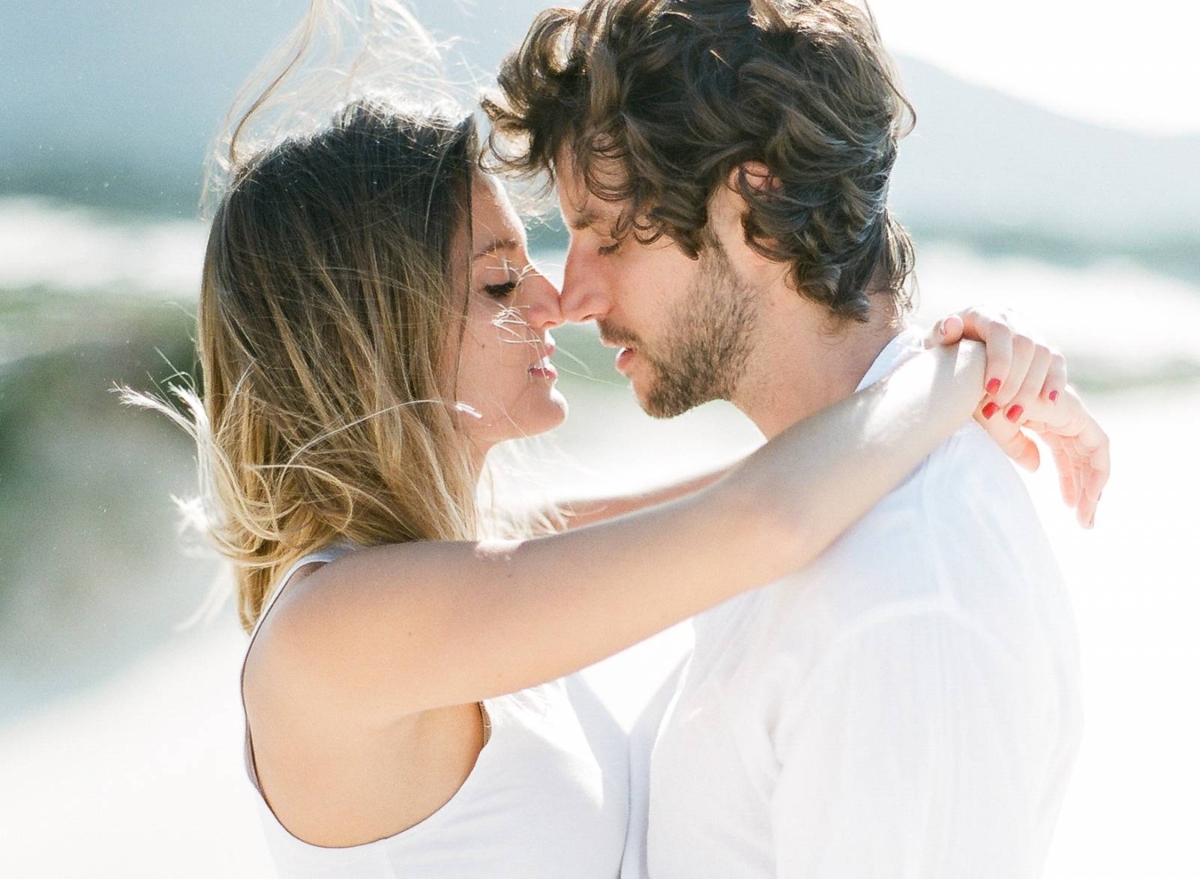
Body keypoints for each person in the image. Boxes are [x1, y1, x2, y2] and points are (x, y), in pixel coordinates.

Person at [130, 6, 1109, 878]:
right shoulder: (337, 632)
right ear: (375, 336)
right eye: (502, 282)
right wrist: (963, 369)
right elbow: (760, 517)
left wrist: (949, 386)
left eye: (593, 235)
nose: (558, 300)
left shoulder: (453, 563)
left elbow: (747, 492)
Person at [484, 1, 1108, 877]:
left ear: (753, 202)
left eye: (606, 234)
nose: (574, 293)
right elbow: (486, 558)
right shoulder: (810, 501)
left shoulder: (903, 602)